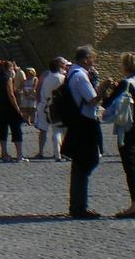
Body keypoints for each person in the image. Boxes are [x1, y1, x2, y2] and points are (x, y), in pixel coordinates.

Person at [61, 45, 112, 219]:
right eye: (92, 59)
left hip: (78, 121)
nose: (94, 62)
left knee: (80, 165)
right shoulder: (81, 76)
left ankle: (77, 205)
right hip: (85, 123)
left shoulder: (72, 73)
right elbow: (92, 100)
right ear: (85, 59)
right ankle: (78, 207)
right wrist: (104, 87)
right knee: (86, 162)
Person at [104, 51, 135, 218]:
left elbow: (107, 103)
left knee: (131, 166)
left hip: (130, 128)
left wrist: (107, 88)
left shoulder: (126, 83)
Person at [0, 60, 26, 162]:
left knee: (3, 130)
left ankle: (4, 153)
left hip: (0, 107)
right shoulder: (8, 78)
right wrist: (17, 108)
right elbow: (10, 94)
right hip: (10, 107)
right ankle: (19, 155)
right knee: (16, 130)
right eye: (13, 68)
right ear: (9, 69)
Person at [34, 57, 67, 160]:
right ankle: (59, 152)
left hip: (44, 104)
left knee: (43, 130)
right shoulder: (61, 78)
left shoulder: (46, 77)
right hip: (56, 106)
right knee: (58, 129)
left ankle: (41, 151)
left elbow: (40, 91)